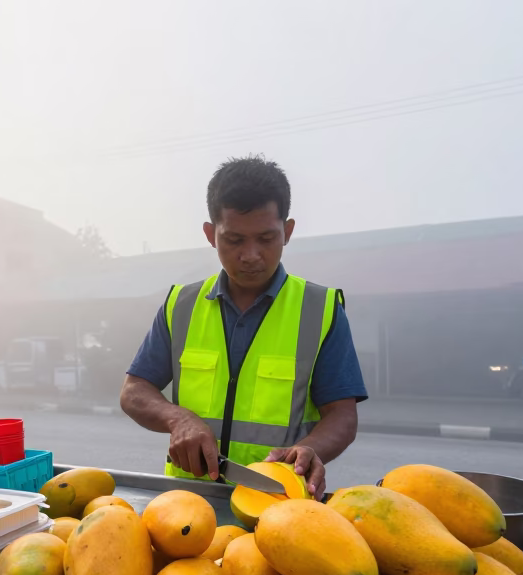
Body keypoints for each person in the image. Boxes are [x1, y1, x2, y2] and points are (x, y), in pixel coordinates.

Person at [119, 156, 367, 497]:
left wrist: (310, 450)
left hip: (279, 502)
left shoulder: (320, 310)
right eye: (235, 240)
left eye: (266, 238)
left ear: (288, 231)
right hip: (187, 505)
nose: (251, 255)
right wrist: (177, 419)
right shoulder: (182, 305)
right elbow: (134, 391)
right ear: (210, 234)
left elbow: (342, 417)